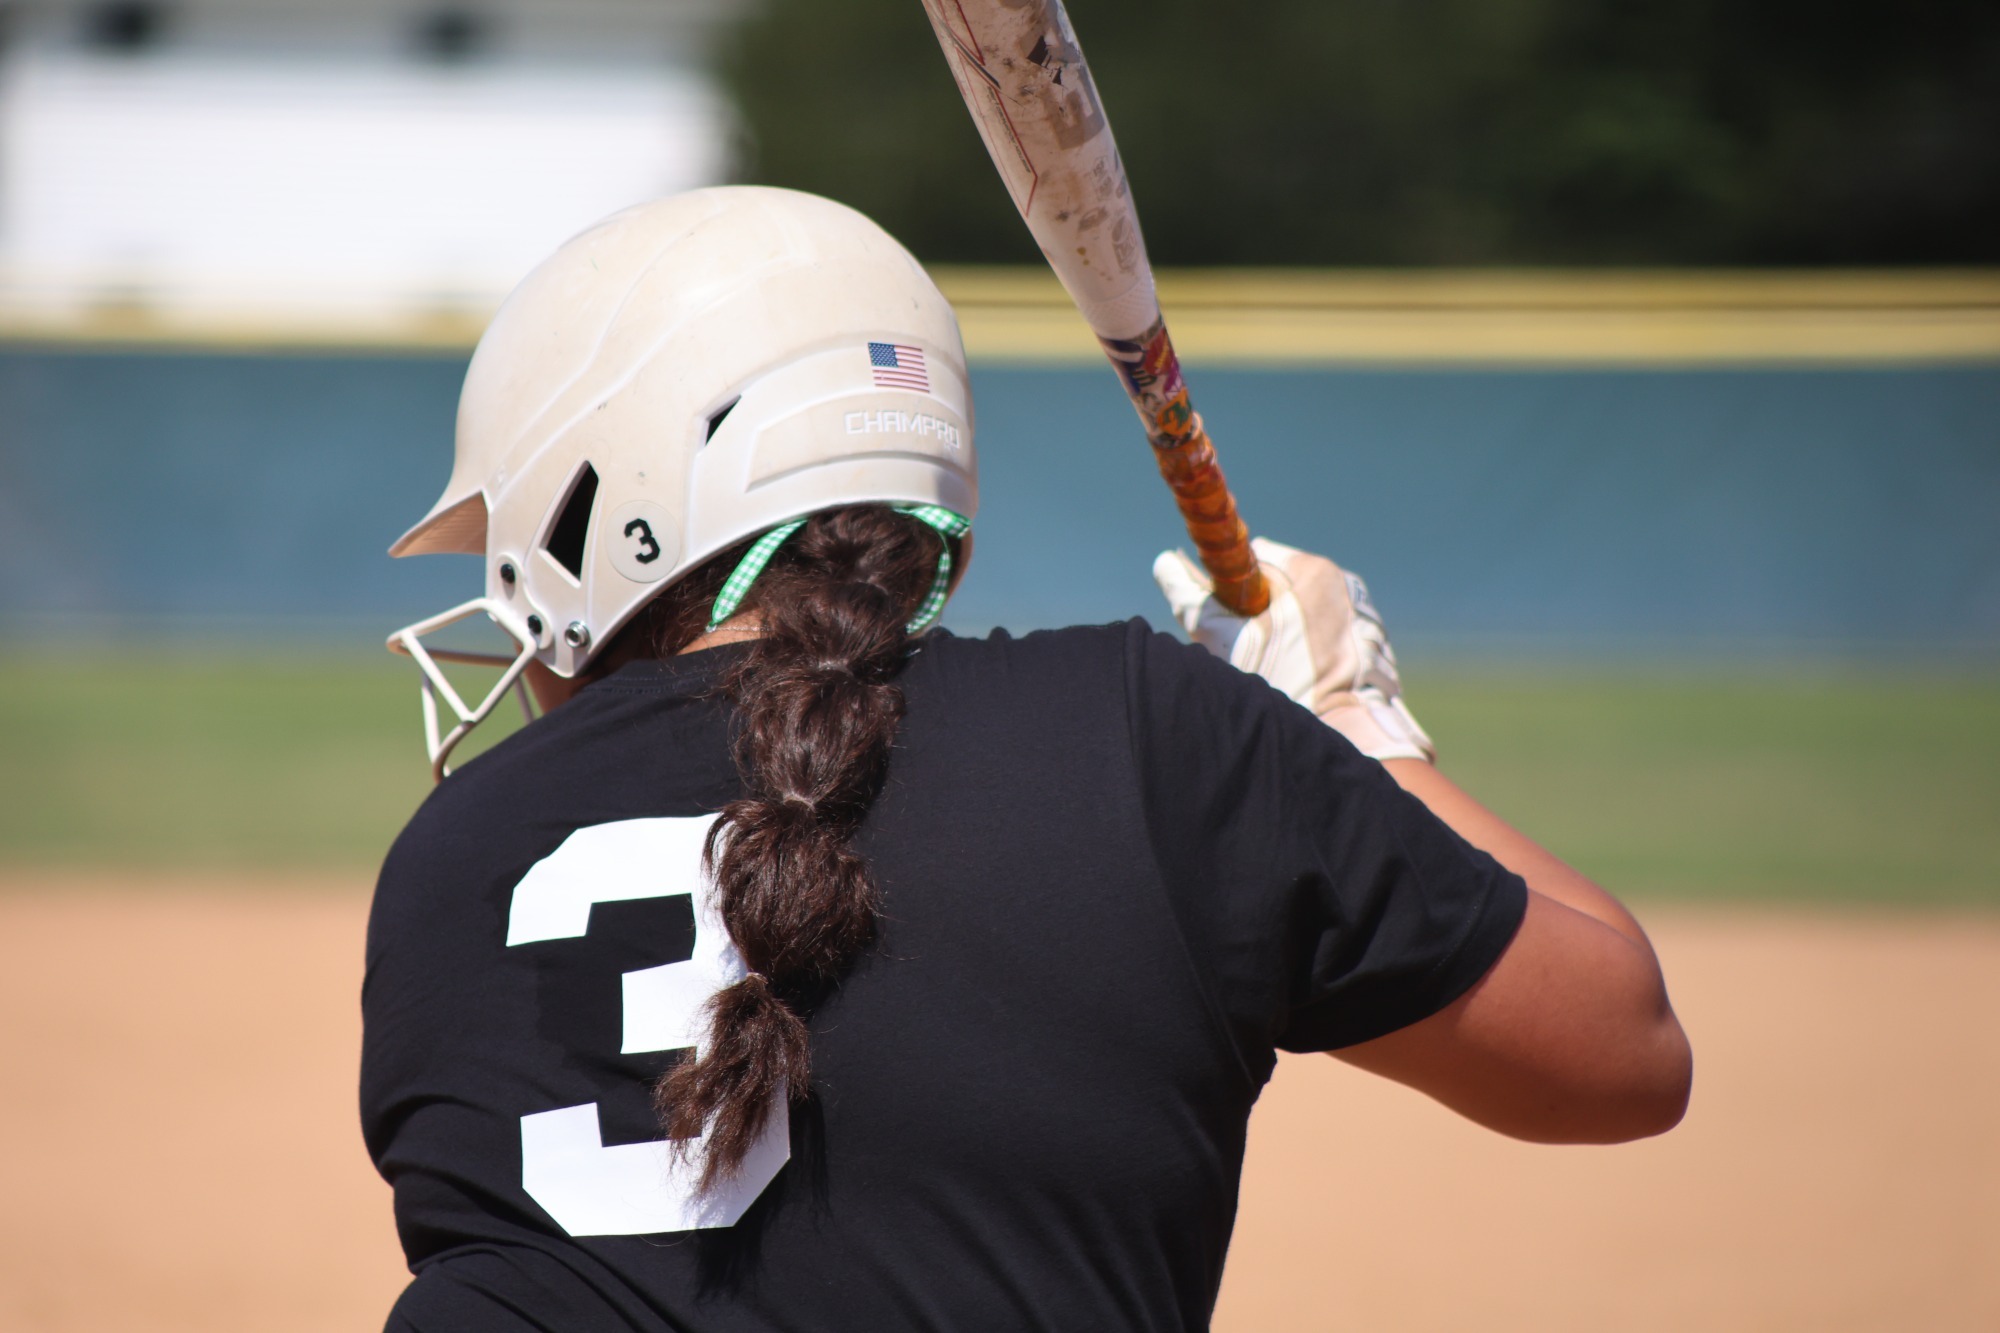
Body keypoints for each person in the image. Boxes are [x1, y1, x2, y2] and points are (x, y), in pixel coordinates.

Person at [365, 186, 1691, 1333]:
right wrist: (1350, 725)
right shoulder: (1145, 733)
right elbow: (1623, 1047)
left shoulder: (451, 861)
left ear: (607, 506)